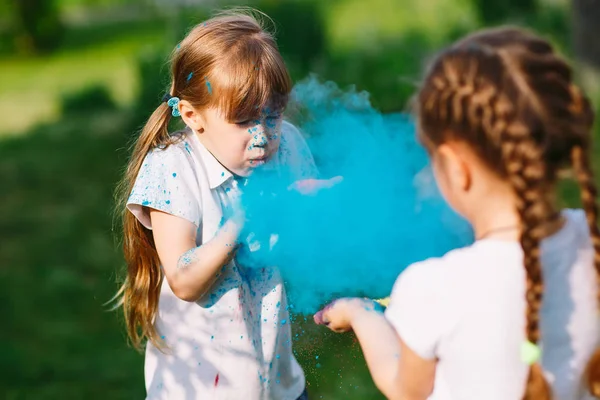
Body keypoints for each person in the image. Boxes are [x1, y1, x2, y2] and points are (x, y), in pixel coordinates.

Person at [315, 27, 600, 400]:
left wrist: (361, 315)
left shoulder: (432, 287)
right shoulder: (590, 242)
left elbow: (406, 389)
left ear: (456, 168)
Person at [115, 11, 321, 400]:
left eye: (272, 116)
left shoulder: (287, 147)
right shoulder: (174, 168)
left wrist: (322, 206)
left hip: (277, 384)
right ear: (193, 116)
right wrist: (239, 223)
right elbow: (184, 280)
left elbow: (305, 248)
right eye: (244, 121)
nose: (262, 137)